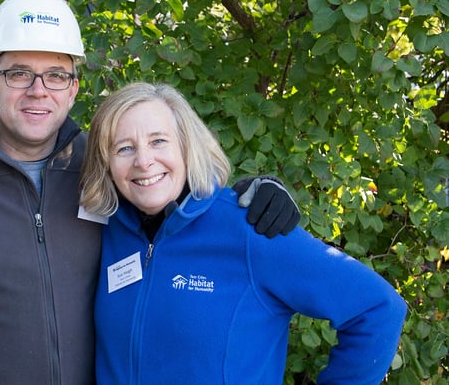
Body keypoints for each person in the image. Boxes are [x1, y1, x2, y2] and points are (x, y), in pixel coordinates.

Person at [0, 0, 300, 385]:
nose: (37, 89)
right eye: (19, 73)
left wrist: (253, 193)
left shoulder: (107, 161)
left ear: (73, 88)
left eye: (54, 75)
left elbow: (178, 201)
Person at [79, 81, 407, 385]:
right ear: (106, 162)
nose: (144, 161)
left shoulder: (249, 228)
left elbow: (378, 309)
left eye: (158, 141)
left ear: (185, 147)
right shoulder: (104, 230)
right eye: (124, 148)